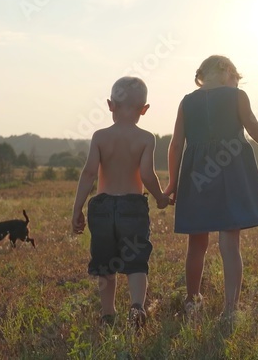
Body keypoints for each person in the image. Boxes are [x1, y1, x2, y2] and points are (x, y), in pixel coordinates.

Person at [165, 55, 258, 320]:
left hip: (197, 174)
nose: (236, 83)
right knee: (230, 243)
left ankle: (191, 299)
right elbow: (255, 129)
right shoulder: (237, 96)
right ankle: (230, 308)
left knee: (196, 243)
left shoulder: (187, 102)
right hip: (230, 171)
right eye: (236, 78)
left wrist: (173, 183)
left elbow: (176, 145)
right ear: (226, 71)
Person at [71, 76, 169, 329]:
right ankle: (136, 306)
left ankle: (107, 314)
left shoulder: (100, 137)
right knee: (136, 262)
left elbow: (89, 173)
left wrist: (77, 208)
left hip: (102, 208)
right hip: (132, 208)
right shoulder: (146, 138)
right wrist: (160, 197)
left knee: (106, 263)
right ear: (144, 110)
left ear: (110, 105)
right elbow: (147, 175)